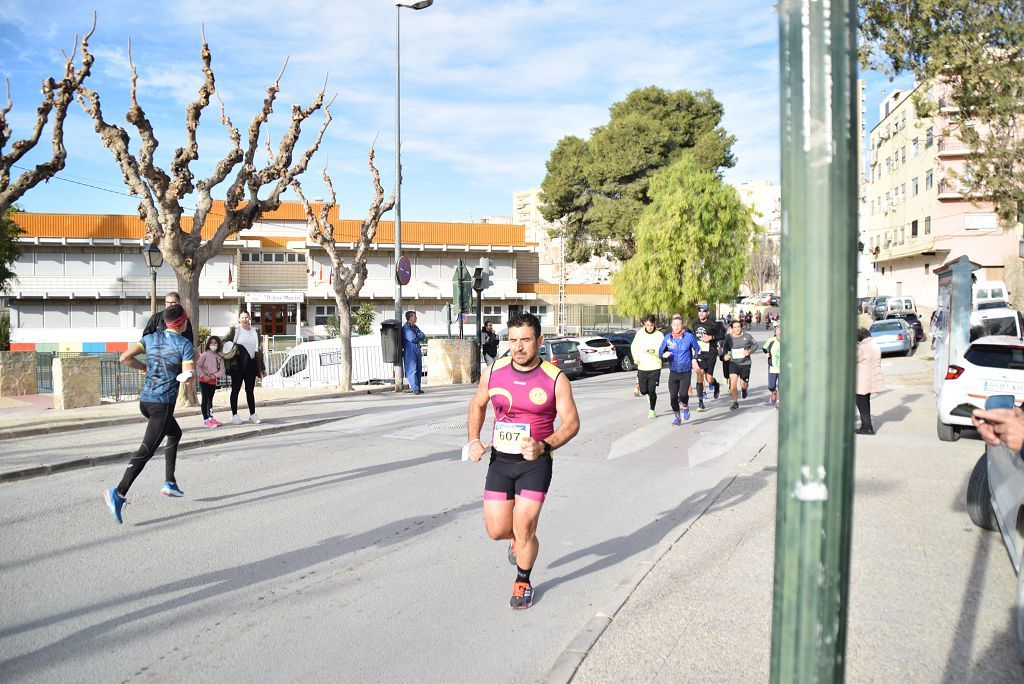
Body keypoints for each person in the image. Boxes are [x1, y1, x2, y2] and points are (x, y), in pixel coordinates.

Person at [466, 311, 581, 610]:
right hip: (500, 461)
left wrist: (543, 446)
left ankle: (523, 579)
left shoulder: (556, 379)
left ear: (539, 341)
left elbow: (571, 424)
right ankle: (517, 540)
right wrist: (473, 439)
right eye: (513, 340)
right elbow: (477, 404)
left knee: (526, 525)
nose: (518, 347)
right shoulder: (493, 371)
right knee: (496, 531)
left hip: (535, 462)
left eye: (525, 340)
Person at [103, 304, 195, 524]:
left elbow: (124, 358)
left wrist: (144, 368)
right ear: (181, 323)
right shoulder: (184, 344)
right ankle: (118, 492)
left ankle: (170, 482)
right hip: (162, 405)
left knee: (175, 433)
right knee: (145, 451)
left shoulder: (150, 339)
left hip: (145, 401)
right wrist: (188, 374)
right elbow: (189, 376)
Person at [223, 310, 267, 424]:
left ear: (250, 318)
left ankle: (252, 414)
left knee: (250, 390)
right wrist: (234, 350)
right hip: (237, 365)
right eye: (242, 317)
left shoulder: (255, 332)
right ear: (239, 319)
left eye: (247, 317)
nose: (245, 319)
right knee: (236, 390)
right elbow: (224, 342)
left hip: (251, 364)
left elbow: (259, 351)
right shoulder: (235, 331)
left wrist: (262, 368)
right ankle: (234, 415)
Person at [658, 314, 701, 425]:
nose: (677, 327)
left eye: (679, 325)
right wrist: (664, 355)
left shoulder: (689, 337)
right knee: (673, 398)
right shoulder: (668, 338)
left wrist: (695, 359)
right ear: (672, 326)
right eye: (675, 325)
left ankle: (685, 407)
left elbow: (697, 349)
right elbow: (660, 352)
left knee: (683, 395)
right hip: (673, 372)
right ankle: (677, 417)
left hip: (685, 371)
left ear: (682, 325)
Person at [630, 314, 665, 419]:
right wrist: (636, 358)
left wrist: (654, 351)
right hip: (642, 366)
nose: (649, 327)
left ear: (654, 324)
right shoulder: (640, 334)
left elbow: (662, 349)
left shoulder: (659, 335)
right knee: (644, 391)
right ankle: (648, 396)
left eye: (651, 325)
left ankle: (652, 410)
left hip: (655, 366)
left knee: (652, 390)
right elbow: (633, 346)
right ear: (644, 325)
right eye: (647, 325)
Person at [693, 304, 726, 411]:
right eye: (699, 311)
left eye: (703, 311)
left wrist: (711, 337)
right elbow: (694, 336)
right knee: (700, 374)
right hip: (700, 353)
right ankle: (700, 403)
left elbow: (722, 335)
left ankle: (715, 385)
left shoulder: (713, 323)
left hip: (711, 352)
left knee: (709, 379)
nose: (701, 313)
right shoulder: (695, 323)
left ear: (707, 313)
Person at [722, 320, 756, 411]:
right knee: (733, 382)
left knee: (743, 384)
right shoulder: (728, 337)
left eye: (739, 327)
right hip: (733, 363)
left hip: (745, 363)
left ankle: (744, 390)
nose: (737, 329)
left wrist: (749, 351)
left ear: (741, 327)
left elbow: (755, 345)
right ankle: (735, 402)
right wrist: (724, 355)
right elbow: (724, 348)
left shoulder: (747, 336)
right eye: (735, 327)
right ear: (732, 328)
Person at [855, 327, 884, 434]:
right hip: (871, 378)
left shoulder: (863, 348)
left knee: (862, 404)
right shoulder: (874, 345)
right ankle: (865, 425)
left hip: (862, 380)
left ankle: (867, 427)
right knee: (865, 403)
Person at [197, 335, 226, 427]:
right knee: (205, 399)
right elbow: (198, 365)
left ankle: (210, 418)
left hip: (213, 381)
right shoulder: (204, 354)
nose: (213, 344)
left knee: (210, 399)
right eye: (211, 343)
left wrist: (214, 376)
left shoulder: (220, 357)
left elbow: (222, 370)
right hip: (203, 380)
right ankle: (206, 420)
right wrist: (203, 375)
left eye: (215, 343)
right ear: (208, 344)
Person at [402, 310, 427, 394]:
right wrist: (417, 335)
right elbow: (412, 338)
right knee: (412, 370)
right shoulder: (406, 328)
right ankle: (415, 388)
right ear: (410, 317)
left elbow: (423, 336)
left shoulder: (415, 327)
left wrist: (417, 335)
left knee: (419, 369)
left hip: (417, 350)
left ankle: (418, 387)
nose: (416, 318)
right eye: (414, 316)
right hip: (410, 351)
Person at [762, 323, 781, 408]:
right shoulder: (771, 340)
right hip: (773, 367)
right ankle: (773, 392)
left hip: (784, 368)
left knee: (781, 385)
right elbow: (764, 348)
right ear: (775, 332)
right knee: (771, 386)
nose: (780, 332)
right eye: (778, 330)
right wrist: (767, 353)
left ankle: (778, 401)